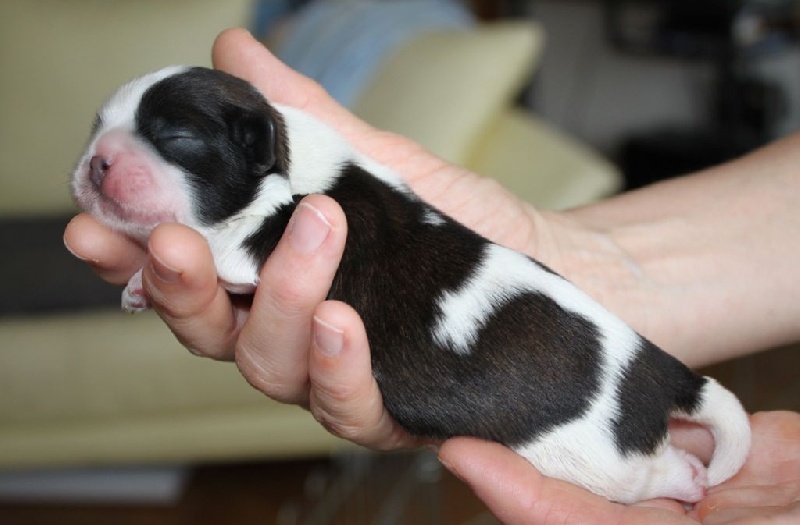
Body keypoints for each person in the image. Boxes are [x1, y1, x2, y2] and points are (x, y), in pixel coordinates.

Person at [64, 28, 800, 524]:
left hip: (552, 374)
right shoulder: (324, 184)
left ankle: (652, 472)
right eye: (103, 131)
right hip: (533, 340)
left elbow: (242, 254)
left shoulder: (297, 199)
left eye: (170, 138)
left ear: (254, 146)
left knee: (560, 433)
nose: (104, 157)